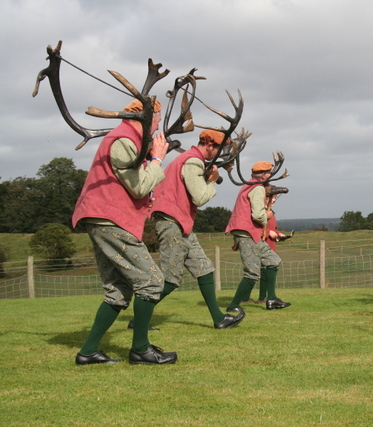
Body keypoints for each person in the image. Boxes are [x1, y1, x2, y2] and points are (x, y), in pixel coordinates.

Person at [73, 98, 177, 365]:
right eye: (157, 117)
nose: (158, 124)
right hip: (109, 219)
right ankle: (141, 349)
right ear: (146, 116)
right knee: (152, 281)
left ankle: (88, 352)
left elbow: (135, 187)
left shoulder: (128, 139)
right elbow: (139, 186)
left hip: (104, 217)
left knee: (119, 290)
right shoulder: (123, 141)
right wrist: (157, 159)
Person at [148, 129, 245, 329]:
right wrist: (210, 182)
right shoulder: (192, 161)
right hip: (172, 222)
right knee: (170, 278)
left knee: (204, 269)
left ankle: (219, 319)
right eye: (221, 149)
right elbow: (199, 197)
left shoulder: (188, 159)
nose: (222, 153)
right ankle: (140, 318)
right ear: (210, 145)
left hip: (180, 222)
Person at [225, 162, 291, 311]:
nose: (270, 177)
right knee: (252, 273)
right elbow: (258, 216)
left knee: (273, 260)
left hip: (248, 233)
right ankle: (233, 305)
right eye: (269, 174)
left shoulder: (248, 185)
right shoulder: (258, 189)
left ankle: (271, 299)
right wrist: (267, 215)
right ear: (263, 175)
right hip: (248, 233)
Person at [242, 184, 291, 304]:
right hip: (257, 246)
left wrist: (278, 234)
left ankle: (263, 298)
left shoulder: (270, 212)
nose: (273, 200)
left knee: (265, 272)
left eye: (275, 197)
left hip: (270, 246)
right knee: (252, 273)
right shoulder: (258, 212)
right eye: (270, 197)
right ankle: (243, 298)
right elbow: (253, 229)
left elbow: (272, 228)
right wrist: (269, 233)